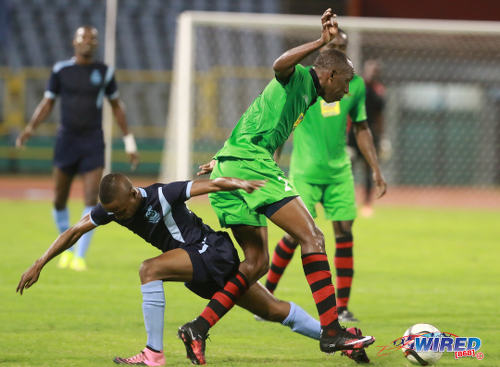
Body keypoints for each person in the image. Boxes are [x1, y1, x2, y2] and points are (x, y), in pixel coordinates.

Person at [15, 173, 369, 366]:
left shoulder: (159, 195)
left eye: (123, 211)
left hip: (208, 251)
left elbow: (204, 186)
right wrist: (39, 262)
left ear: (134, 198)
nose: (120, 217)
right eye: (115, 213)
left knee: (148, 269)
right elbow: (75, 229)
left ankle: (153, 354)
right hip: (199, 264)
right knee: (276, 310)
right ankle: (343, 340)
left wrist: (237, 182)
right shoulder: (112, 207)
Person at [187, 9, 375, 364]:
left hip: (233, 165)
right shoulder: (300, 79)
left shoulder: (305, 99)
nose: (348, 89)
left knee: (256, 263)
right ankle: (332, 330)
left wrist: (223, 158)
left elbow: (257, 118)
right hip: (251, 165)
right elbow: (279, 65)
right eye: (346, 82)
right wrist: (320, 41)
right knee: (314, 238)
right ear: (330, 74)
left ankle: (198, 327)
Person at [265, 30, 387, 323]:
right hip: (305, 170)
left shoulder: (353, 86)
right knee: (296, 235)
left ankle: (342, 307)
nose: (340, 49)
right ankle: (266, 294)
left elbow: (361, 127)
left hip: (339, 172)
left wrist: (375, 168)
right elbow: (285, 120)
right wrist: (273, 158)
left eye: (343, 46)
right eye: (335, 46)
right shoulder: (304, 82)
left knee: (344, 233)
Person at [15, 26, 139, 271]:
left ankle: (79, 256)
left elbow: (117, 106)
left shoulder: (104, 72)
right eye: (84, 37)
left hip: (93, 141)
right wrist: (30, 128)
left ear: (96, 44)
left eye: (93, 38)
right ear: (74, 41)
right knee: (59, 199)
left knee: (92, 197)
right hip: (66, 141)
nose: (89, 42)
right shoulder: (61, 70)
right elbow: (48, 102)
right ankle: (68, 248)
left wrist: (129, 141)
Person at [348, 59, 386, 218]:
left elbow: (380, 116)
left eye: (375, 71)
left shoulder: (379, 92)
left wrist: (382, 138)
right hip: (353, 134)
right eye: (370, 70)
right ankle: (348, 199)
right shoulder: (356, 88)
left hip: (370, 135)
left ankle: (367, 203)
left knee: (368, 168)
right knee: (347, 167)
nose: (372, 73)